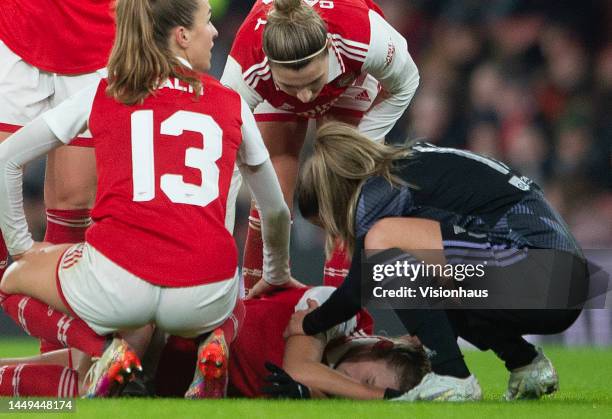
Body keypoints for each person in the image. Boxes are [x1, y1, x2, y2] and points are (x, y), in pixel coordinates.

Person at [0, 0, 295, 398]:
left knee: (10, 278)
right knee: (233, 285)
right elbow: (275, 210)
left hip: (118, 284)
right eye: (208, 23)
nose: (215, 33)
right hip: (202, 297)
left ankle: (100, 350)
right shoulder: (232, 102)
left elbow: (7, 158)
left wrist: (22, 247)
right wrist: (275, 274)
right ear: (182, 35)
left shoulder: (107, 90)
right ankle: (218, 341)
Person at [282, 123, 589, 401]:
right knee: (435, 283)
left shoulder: (378, 190)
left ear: (335, 200)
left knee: (382, 241)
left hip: (543, 273)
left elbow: (358, 289)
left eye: (330, 225)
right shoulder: (413, 163)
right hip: (564, 280)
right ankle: (524, 363)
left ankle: (452, 377)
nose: (336, 237)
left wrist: (312, 323)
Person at [220, 0, 420, 291]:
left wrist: (361, 143)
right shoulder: (246, 69)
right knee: (274, 182)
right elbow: (227, 162)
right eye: (292, 86)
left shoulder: (364, 36)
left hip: (349, 80)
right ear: (270, 65)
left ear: (328, 47)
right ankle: (257, 310)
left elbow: (407, 81)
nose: (304, 98)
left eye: (312, 82)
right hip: (274, 92)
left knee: (344, 181)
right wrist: (220, 246)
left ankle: (344, 317)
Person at [0, 287, 431, 399]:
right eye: (369, 380)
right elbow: (301, 366)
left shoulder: (329, 394)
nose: (358, 390)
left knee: (28, 397)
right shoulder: (344, 313)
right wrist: (380, 399)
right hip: (163, 331)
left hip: (160, 380)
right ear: (377, 347)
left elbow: (308, 381)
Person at [0, 0, 115, 354]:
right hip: (14, 28)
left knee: (73, 203)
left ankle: (57, 358)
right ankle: (91, 350)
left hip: (97, 39)